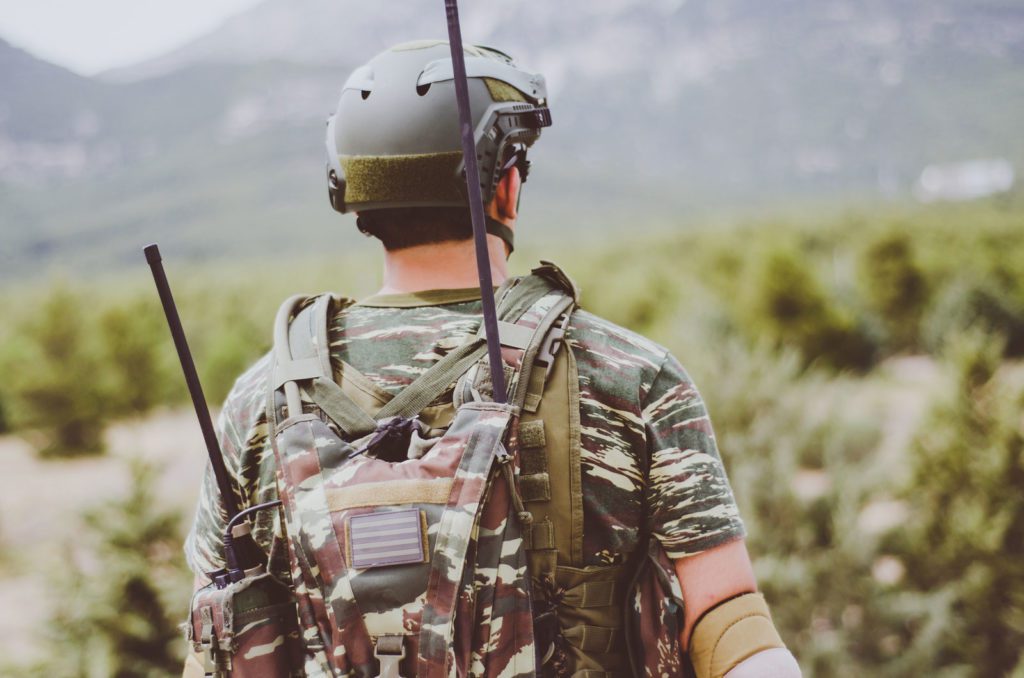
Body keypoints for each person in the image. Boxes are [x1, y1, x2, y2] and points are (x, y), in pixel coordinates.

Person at [183, 40, 800, 678]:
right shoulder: (631, 375)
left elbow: (216, 642)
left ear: (356, 199)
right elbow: (726, 619)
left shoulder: (259, 403)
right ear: (504, 186)